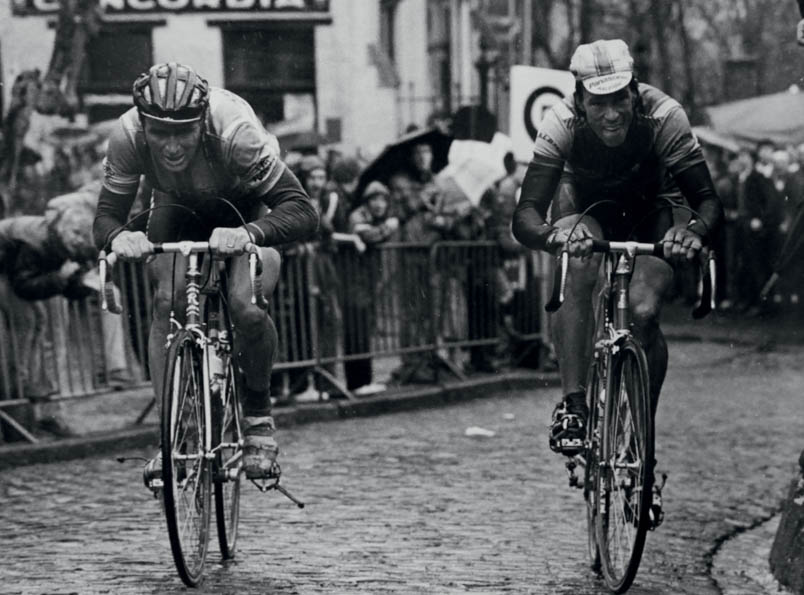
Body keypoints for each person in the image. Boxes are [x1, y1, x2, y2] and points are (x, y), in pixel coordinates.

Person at [511, 39, 723, 525]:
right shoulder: (559, 121)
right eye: (598, 102)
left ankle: (642, 450)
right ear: (580, 98)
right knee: (579, 263)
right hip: (586, 208)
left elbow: (709, 202)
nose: (611, 115)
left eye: (620, 99)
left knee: (645, 310)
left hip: (653, 213)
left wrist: (690, 234)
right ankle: (574, 404)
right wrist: (552, 238)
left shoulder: (665, 114)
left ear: (634, 92)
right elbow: (524, 214)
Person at [93, 63, 318, 483]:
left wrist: (250, 232)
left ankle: (258, 421)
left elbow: (303, 211)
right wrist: (118, 239)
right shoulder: (126, 135)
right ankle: (173, 435)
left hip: (244, 209)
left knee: (245, 306)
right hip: (175, 210)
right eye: (160, 133)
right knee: (168, 300)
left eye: (184, 132)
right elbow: (106, 218)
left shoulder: (234, 130)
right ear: (144, 123)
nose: (172, 146)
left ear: (202, 121)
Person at [0, 202, 100, 437]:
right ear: (70, 231)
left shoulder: (65, 238)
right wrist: (60, 277)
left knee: (36, 324)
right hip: (4, 270)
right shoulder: (36, 241)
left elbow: (66, 286)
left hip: (10, 271)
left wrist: (85, 282)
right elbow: (23, 285)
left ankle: (29, 414)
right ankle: (18, 420)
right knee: (26, 328)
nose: (80, 243)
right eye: (78, 237)